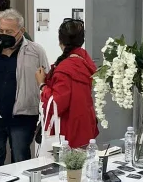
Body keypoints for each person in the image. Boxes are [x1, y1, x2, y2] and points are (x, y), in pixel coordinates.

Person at [0, 9, 49, 168]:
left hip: (23, 118)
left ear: (21, 31)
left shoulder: (35, 51)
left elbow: (47, 78)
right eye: (1, 31)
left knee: (20, 162)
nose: (4, 35)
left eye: (9, 32)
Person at [36, 18, 98, 149]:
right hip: (85, 125)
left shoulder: (65, 69)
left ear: (60, 41)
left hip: (67, 130)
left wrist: (42, 85)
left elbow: (56, 104)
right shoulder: (85, 62)